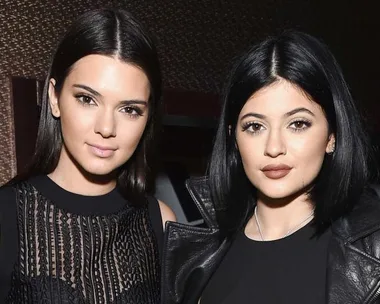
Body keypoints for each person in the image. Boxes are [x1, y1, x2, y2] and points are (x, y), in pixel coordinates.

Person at [161, 30, 380, 304]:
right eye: (255, 126)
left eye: (298, 124)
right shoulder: (194, 255)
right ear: (234, 138)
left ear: (332, 136)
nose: (274, 147)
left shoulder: (373, 249)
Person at [0, 8, 175, 303]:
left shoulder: (159, 222)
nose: (106, 128)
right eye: (87, 99)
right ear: (54, 98)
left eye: (129, 109)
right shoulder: (7, 214)